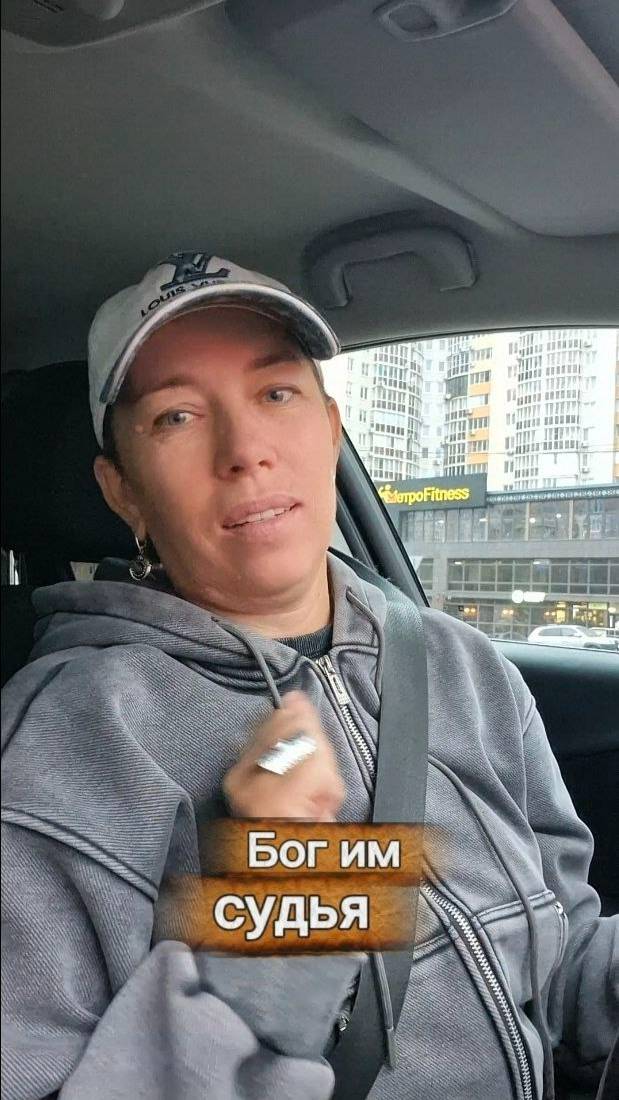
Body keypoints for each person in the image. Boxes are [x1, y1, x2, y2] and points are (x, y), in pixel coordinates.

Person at [1, 251, 617, 1100]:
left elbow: (558, 965)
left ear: (329, 427)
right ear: (123, 492)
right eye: (177, 416)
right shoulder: (73, 736)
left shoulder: (460, 664)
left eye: (276, 394)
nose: (245, 450)